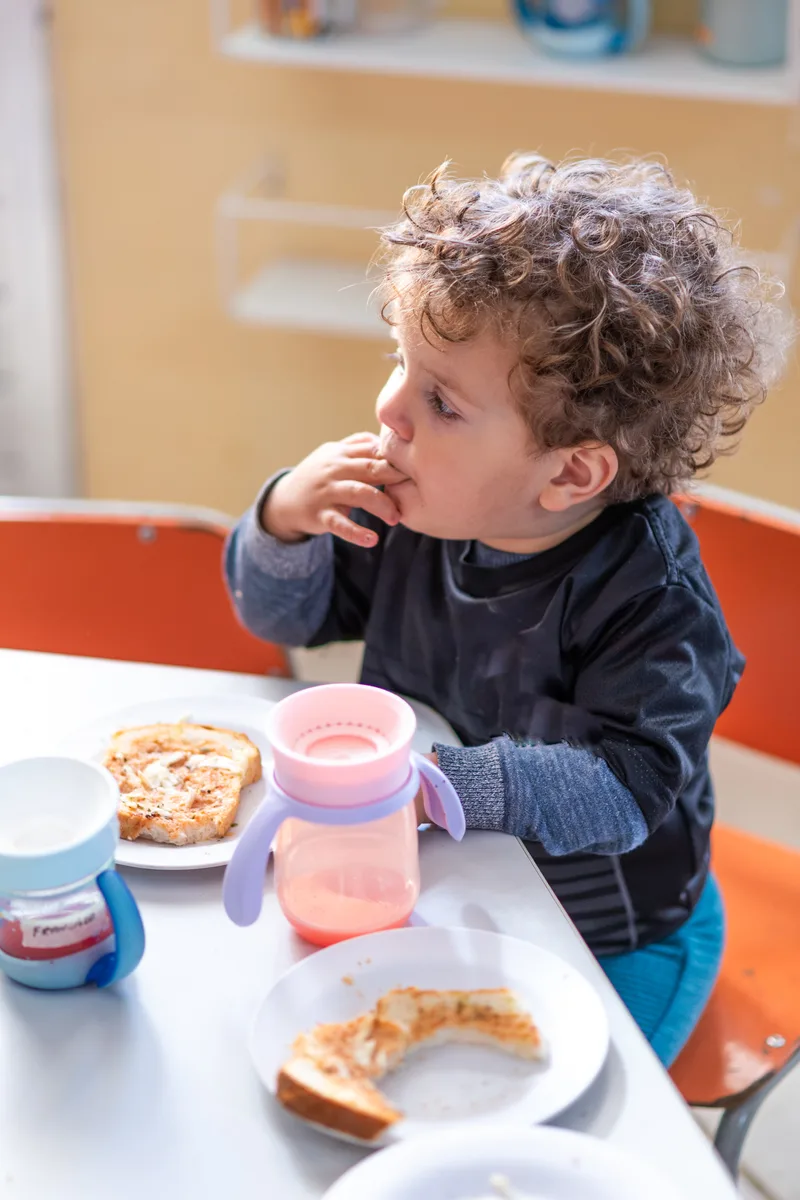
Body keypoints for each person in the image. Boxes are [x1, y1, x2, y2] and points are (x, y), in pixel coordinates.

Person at [224, 155, 788, 1066]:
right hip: (448, 882)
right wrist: (283, 520)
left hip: (618, 930)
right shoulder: (421, 506)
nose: (390, 412)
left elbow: (630, 790)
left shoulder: (651, 601)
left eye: (440, 401)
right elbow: (288, 620)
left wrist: (447, 785)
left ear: (570, 473)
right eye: (400, 365)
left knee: (562, 1116)